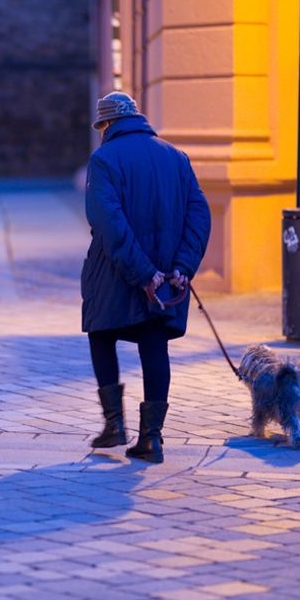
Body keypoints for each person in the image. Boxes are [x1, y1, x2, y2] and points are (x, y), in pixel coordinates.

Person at [81, 91, 212, 463]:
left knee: (101, 334)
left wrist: (142, 274)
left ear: (106, 125)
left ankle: (115, 425)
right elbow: (199, 215)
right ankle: (151, 440)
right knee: (154, 346)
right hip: (167, 271)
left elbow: (108, 223)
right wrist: (182, 268)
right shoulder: (175, 156)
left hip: (115, 273)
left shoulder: (103, 159)